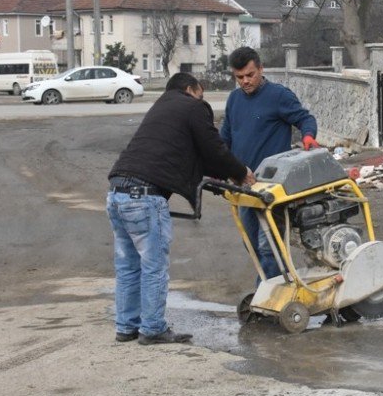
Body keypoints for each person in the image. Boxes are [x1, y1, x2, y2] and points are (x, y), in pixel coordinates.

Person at [107, 73, 252, 345]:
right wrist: (241, 172)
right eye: (201, 94)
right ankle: (152, 329)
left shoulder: (162, 108)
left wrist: (222, 175)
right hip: (145, 197)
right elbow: (212, 148)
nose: (202, 101)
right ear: (190, 89)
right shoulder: (192, 106)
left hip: (117, 193)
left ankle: (126, 327)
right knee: (154, 266)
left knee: (128, 266)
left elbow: (188, 155)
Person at [220, 46, 318, 285]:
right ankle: (282, 286)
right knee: (252, 244)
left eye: (250, 75)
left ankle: (270, 295)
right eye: (239, 77)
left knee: (268, 246)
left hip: (273, 188)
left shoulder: (278, 96)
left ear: (261, 69)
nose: (245, 81)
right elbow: (224, 139)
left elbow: (305, 118)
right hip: (244, 186)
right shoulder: (234, 100)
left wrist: (308, 136)